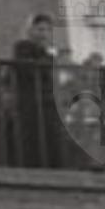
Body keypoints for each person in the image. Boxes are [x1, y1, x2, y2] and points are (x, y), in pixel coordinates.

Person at [10, 13, 61, 169]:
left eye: (47, 30)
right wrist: (48, 59)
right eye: (40, 29)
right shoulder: (23, 47)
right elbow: (31, 71)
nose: (44, 34)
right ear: (31, 30)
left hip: (47, 102)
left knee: (50, 138)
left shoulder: (46, 52)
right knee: (32, 139)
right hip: (30, 102)